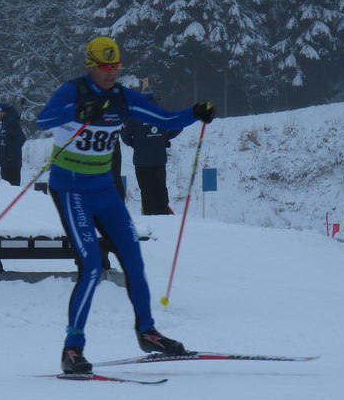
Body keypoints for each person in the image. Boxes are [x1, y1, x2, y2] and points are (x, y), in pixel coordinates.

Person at [36, 35, 215, 374]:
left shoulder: (122, 98)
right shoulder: (73, 91)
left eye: (116, 66)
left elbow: (165, 120)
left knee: (133, 259)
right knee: (91, 266)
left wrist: (194, 113)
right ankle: (72, 349)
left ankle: (148, 333)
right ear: (91, 66)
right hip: (71, 191)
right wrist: (77, 111)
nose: (111, 72)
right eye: (104, 66)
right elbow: (43, 120)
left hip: (104, 190)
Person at [121, 86, 181, 214]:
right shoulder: (161, 114)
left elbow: (125, 136)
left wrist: (135, 144)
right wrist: (163, 138)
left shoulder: (134, 116)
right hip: (159, 160)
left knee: (146, 190)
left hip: (141, 161)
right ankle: (163, 212)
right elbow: (178, 126)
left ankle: (150, 215)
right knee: (160, 187)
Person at [0, 102, 26, 186]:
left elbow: (21, 138)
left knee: (11, 188)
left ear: (2, 111)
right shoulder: (6, 121)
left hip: (11, 164)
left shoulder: (11, 122)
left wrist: (10, 155)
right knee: (6, 188)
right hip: (6, 163)